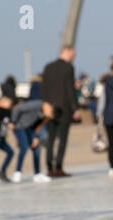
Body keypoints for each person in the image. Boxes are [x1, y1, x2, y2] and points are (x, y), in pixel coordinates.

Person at [40, 45, 80, 177]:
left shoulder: (48, 67)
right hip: (65, 108)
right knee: (62, 139)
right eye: (72, 54)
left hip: (50, 109)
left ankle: (49, 168)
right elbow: (70, 89)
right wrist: (75, 108)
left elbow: (44, 88)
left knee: (50, 139)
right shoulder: (68, 67)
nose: (73, 57)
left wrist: (45, 105)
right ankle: (58, 167)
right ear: (66, 52)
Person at [9, 99, 53, 183]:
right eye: (50, 111)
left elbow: (39, 126)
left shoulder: (46, 115)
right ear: (48, 106)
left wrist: (36, 137)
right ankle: (17, 172)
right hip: (19, 127)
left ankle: (37, 174)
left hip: (30, 129)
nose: (49, 114)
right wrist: (12, 121)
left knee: (36, 149)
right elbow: (18, 108)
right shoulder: (37, 104)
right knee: (24, 147)